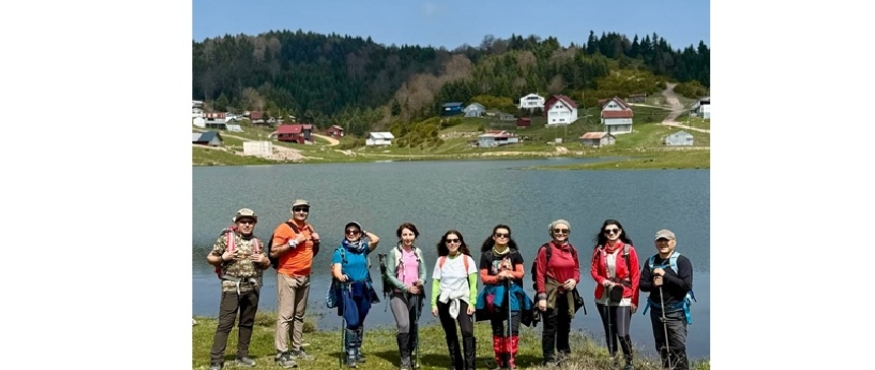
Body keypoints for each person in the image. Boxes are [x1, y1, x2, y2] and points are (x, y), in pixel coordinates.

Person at [206, 208, 271, 370]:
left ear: (254, 224)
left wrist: (264, 260)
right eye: (243, 221)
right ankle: (216, 360)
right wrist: (223, 258)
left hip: (253, 286)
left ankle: (242, 355)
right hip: (231, 286)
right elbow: (210, 258)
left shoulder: (258, 242)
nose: (247, 225)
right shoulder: (226, 239)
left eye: (250, 222)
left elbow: (266, 264)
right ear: (237, 223)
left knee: (247, 322)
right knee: (225, 324)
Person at [475, 224, 534, 370]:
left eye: (505, 235)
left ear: (509, 238)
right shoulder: (487, 255)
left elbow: (521, 273)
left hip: (513, 295)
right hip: (494, 297)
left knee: (512, 330)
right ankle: (500, 361)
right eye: (499, 235)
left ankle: (510, 361)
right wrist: (498, 277)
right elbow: (483, 277)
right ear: (494, 237)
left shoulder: (515, 254)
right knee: (498, 330)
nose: (502, 237)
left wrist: (510, 273)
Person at [271, 199, 321, 368]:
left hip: (305, 277)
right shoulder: (284, 228)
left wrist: (317, 242)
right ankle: (281, 352)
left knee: (299, 315)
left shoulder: (309, 228)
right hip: (287, 275)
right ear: (292, 211)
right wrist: (292, 243)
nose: (302, 212)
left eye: (305, 209)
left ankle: (297, 348)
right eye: (298, 209)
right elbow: (274, 251)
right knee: (286, 316)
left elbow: (311, 252)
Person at [639, 229, 694, 370]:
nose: (663, 243)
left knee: (677, 349)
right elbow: (642, 285)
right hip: (656, 311)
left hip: (676, 312)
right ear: (655, 243)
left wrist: (665, 275)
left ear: (674, 243)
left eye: (666, 240)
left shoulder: (682, 262)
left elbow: (686, 285)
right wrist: (653, 284)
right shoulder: (650, 262)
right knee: (662, 348)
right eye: (660, 240)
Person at [590, 219, 641, 370]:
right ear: (604, 233)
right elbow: (593, 271)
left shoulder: (628, 250)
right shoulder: (599, 250)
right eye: (608, 231)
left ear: (620, 232)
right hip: (603, 296)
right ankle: (614, 361)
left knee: (622, 332)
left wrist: (635, 300)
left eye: (614, 230)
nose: (611, 233)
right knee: (609, 329)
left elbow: (636, 276)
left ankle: (629, 363)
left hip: (624, 296)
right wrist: (602, 280)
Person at [533, 219, 584, 367]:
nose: (561, 233)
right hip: (550, 293)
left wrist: (574, 281)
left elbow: (576, 270)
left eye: (564, 231)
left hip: (567, 294)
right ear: (552, 232)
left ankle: (563, 356)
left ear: (568, 232)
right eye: (557, 230)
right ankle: (549, 358)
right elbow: (540, 274)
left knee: (565, 326)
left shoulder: (572, 250)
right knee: (550, 327)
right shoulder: (545, 250)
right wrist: (541, 297)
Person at [332, 221, 381, 368]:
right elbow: (336, 269)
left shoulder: (363, 249)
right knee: (352, 321)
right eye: (348, 232)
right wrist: (340, 276)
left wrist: (365, 233)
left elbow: (376, 240)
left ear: (359, 234)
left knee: (360, 320)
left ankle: (357, 351)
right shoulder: (340, 252)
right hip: (348, 289)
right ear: (345, 234)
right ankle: (350, 355)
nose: (351, 234)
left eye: (355, 231)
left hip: (364, 288)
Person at [431, 230, 479, 370]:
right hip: (444, 300)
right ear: (445, 243)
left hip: (463, 299)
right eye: (449, 241)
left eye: (455, 240)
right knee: (450, 332)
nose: (452, 243)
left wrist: (472, 302)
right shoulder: (441, 261)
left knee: (467, 331)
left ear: (460, 243)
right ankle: (456, 364)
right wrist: (434, 303)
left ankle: (470, 365)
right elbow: (436, 283)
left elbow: (473, 283)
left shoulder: (467, 260)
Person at [385, 223, 428, 370]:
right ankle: (404, 361)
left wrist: (421, 281)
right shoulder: (394, 253)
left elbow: (423, 272)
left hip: (416, 293)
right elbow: (389, 275)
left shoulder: (418, 252)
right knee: (404, 325)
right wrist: (406, 288)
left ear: (415, 236)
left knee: (413, 324)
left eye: (410, 234)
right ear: (400, 236)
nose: (408, 238)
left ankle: (410, 353)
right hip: (399, 294)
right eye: (405, 235)